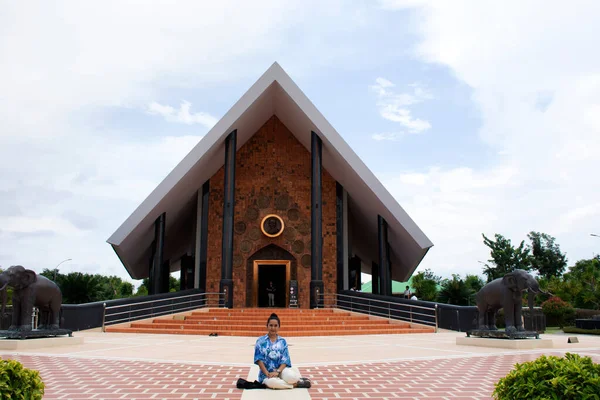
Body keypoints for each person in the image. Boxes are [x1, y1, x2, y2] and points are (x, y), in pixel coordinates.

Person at [254, 313, 311, 389]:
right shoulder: (260, 341)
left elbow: (285, 359)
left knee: (291, 377)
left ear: (279, 327)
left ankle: (295, 380)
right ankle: (295, 385)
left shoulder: (282, 341)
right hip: (266, 374)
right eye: (271, 325)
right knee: (273, 383)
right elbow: (259, 360)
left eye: (275, 326)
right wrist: (267, 373)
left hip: (280, 371)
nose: (273, 328)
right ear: (267, 326)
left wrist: (277, 372)